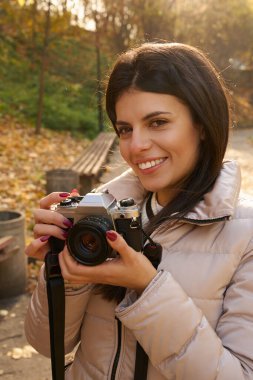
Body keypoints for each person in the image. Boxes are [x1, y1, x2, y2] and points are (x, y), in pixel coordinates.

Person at [25, 42, 253, 380]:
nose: (136, 146)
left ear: (202, 124)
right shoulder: (99, 213)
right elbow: (47, 344)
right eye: (125, 129)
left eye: (158, 122)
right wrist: (64, 272)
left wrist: (148, 288)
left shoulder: (245, 233)